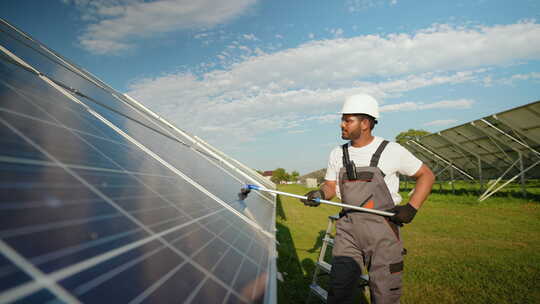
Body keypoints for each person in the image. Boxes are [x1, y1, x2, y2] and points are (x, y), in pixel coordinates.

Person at [301, 93, 435, 304]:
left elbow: (426, 175)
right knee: (339, 290)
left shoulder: (391, 150)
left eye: (348, 120)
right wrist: (319, 194)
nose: (342, 124)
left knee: (385, 294)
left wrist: (412, 207)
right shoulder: (337, 153)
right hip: (347, 230)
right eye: (343, 119)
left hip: (382, 232)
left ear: (365, 123)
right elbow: (330, 186)